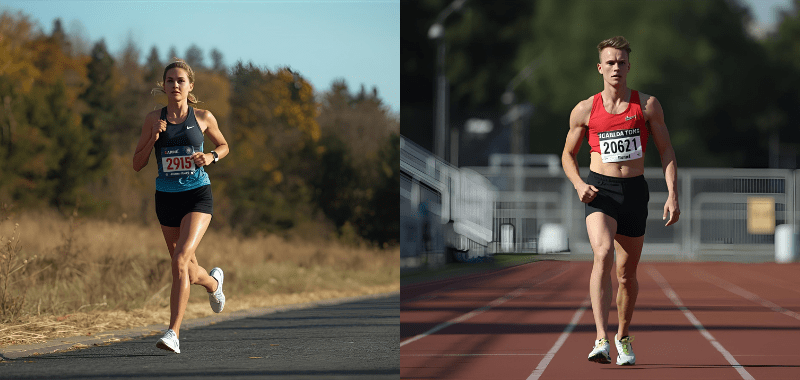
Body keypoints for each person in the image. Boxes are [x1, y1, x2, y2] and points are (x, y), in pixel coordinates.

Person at [561, 36, 680, 366]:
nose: (616, 67)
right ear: (600, 68)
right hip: (600, 191)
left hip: (634, 193)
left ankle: (622, 335)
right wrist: (577, 183)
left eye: (621, 62)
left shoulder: (646, 106)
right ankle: (601, 338)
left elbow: (666, 150)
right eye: (609, 62)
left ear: (629, 66)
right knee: (602, 253)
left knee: (627, 275)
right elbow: (568, 155)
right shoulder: (586, 109)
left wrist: (672, 193)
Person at [132, 59, 230, 354]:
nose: (175, 85)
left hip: (198, 195)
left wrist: (210, 157)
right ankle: (213, 283)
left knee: (179, 260)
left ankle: (173, 333)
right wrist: (153, 138)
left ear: (190, 86)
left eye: (180, 80)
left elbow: (224, 146)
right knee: (186, 268)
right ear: (163, 85)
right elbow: (137, 164)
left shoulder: (203, 117)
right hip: (166, 198)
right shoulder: (153, 119)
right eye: (170, 80)